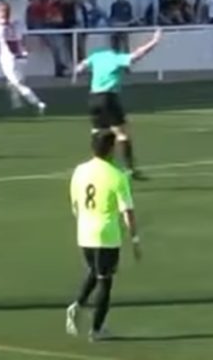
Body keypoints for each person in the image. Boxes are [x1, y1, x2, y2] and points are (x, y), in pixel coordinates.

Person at [65, 131, 141, 342]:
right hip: (106, 236)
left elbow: (75, 205)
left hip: (84, 233)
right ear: (110, 149)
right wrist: (134, 239)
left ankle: (77, 305)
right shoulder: (116, 176)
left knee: (94, 271)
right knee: (105, 282)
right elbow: (128, 212)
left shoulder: (80, 171)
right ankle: (97, 329)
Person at [75, 29, 162, 181]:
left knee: (98, 132)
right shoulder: (116, 59)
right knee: (121, 134)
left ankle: (98, 167)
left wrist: (80, 70)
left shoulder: (97, 56)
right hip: (108, 98)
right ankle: (130, 169)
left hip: (93, 98)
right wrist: (154, 41)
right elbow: (137, 55)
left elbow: (80, 67)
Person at [0, 2, 46, 113]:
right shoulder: (18, 25)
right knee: (14, 81)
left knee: (18, 84)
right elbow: (25, 40)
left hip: (8, 60)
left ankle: (38, 103)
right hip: (22, 58)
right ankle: (16, 104)